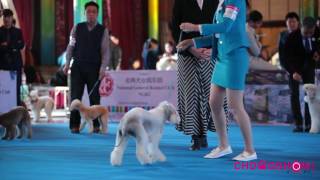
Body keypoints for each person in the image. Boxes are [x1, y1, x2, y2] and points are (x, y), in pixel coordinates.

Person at [177, 0, 257, 161]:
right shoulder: (222, 2)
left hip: (235, 56)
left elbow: (225, 26)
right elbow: (218, 35)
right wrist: (192, 41)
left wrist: (195, 28)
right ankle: (223, 146)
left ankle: (250, 150)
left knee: (235, 106)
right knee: (214, 103)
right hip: (222, 58)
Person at [171, 0, 229, 151]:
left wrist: (214, 49)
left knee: (211, 97)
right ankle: (196, 136)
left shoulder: (217, 2)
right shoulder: (180, 2)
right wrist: (190, 48)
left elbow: (220, 28)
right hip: (187, 54)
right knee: (192, 96)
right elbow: (175, 28)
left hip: (211, 54)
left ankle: (210, 135)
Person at [63, 1, 110, 134]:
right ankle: (74, 125)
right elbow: (70, 46)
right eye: (88, 12)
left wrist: (103, 69)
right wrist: (67, 63)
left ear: (97, 14)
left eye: (94, 12)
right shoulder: (76, 28)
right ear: (84, 13)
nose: (91, 14)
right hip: (77, 67)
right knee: (75, 98)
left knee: (94, 97)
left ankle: (96, 125)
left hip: (94, 68)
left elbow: (105, 52)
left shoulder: (103, 31)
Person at [283, 17, 320, 133]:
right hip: (294, 68)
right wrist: (293, 72)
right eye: (306, 32)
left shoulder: (318, 32)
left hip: (309, 67)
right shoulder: (291, 37)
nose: (309, 34)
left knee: (311, 96)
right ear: (301, 27)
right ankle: (298, 123)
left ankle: (310, 123)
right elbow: (286, 58)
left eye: (311, 32)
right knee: (294, 94)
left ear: (315, 28)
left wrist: (318, 53)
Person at [0, 9, 24, 106]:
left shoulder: (17, 31)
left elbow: (21, 44)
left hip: (15, 64)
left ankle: (17, 110)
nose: (7, 19)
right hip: (2, 64)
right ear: (3, 18)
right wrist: (10, 47)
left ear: (11, 18)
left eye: (9, 17)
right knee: (3, 89)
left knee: (16, 89)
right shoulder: (0, 31)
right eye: (5, 17)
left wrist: (8, 45)